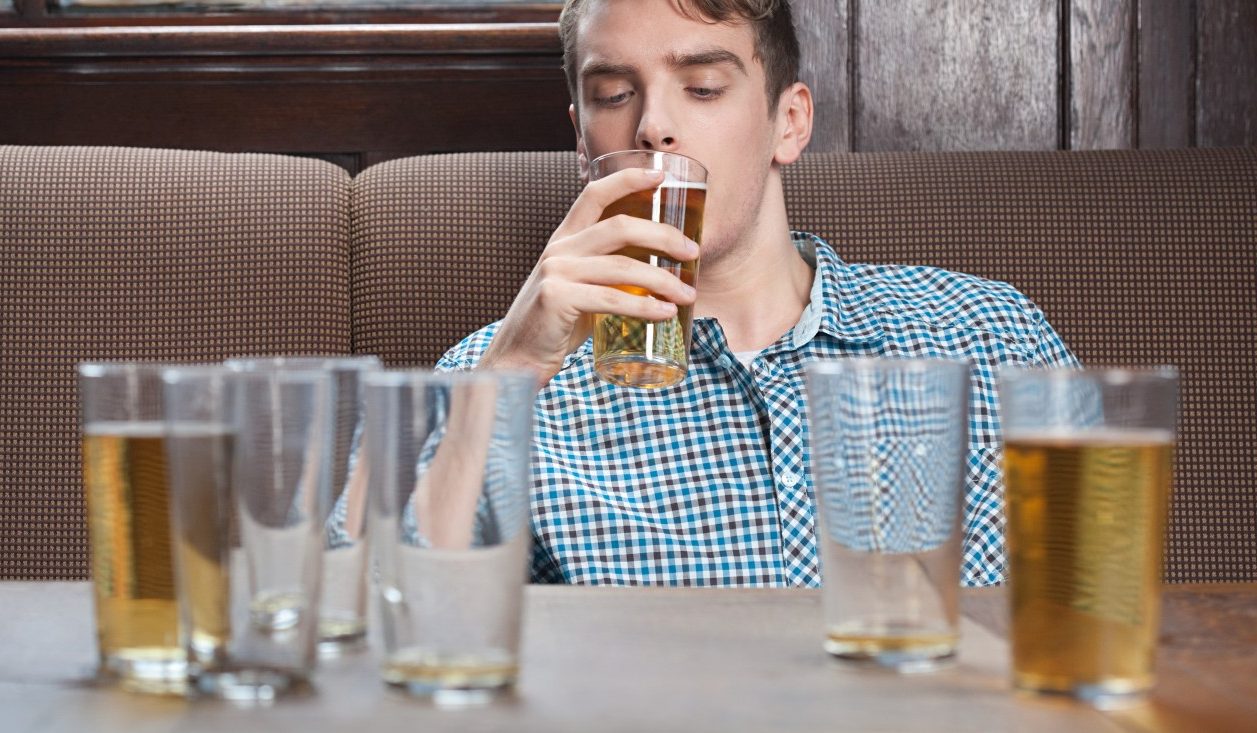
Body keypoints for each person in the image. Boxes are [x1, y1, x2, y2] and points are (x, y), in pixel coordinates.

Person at [436, 0, 1078, 587]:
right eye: (615, 94)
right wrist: (511, 374)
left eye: (703, 88)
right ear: (583, 141)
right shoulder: (490, 376)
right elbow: (386, 625)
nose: (654, 126)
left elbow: (1099, 613)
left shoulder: (994, 337)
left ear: (789, 122)